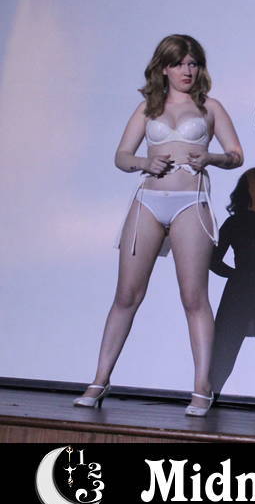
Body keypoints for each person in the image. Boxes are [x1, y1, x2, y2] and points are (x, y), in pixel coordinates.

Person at [74, 34, 243, 416]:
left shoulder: (210, 107)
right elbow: (122, 155)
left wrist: (212, 158)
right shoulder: (147, 108)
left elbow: (236, 154)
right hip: (148, 201)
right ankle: (99, 380)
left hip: (191, 202)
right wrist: (143, 163)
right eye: (179, 63)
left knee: (194, 297)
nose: (187, 70)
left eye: (193, 63)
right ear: (163, 68)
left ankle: (201, 388)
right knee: (126, 295)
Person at [209, 168, 255, 399]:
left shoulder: (233, 222)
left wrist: (235, 274)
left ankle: (208, 399)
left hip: (238, 289)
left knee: (223, 356)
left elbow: (213, 260)